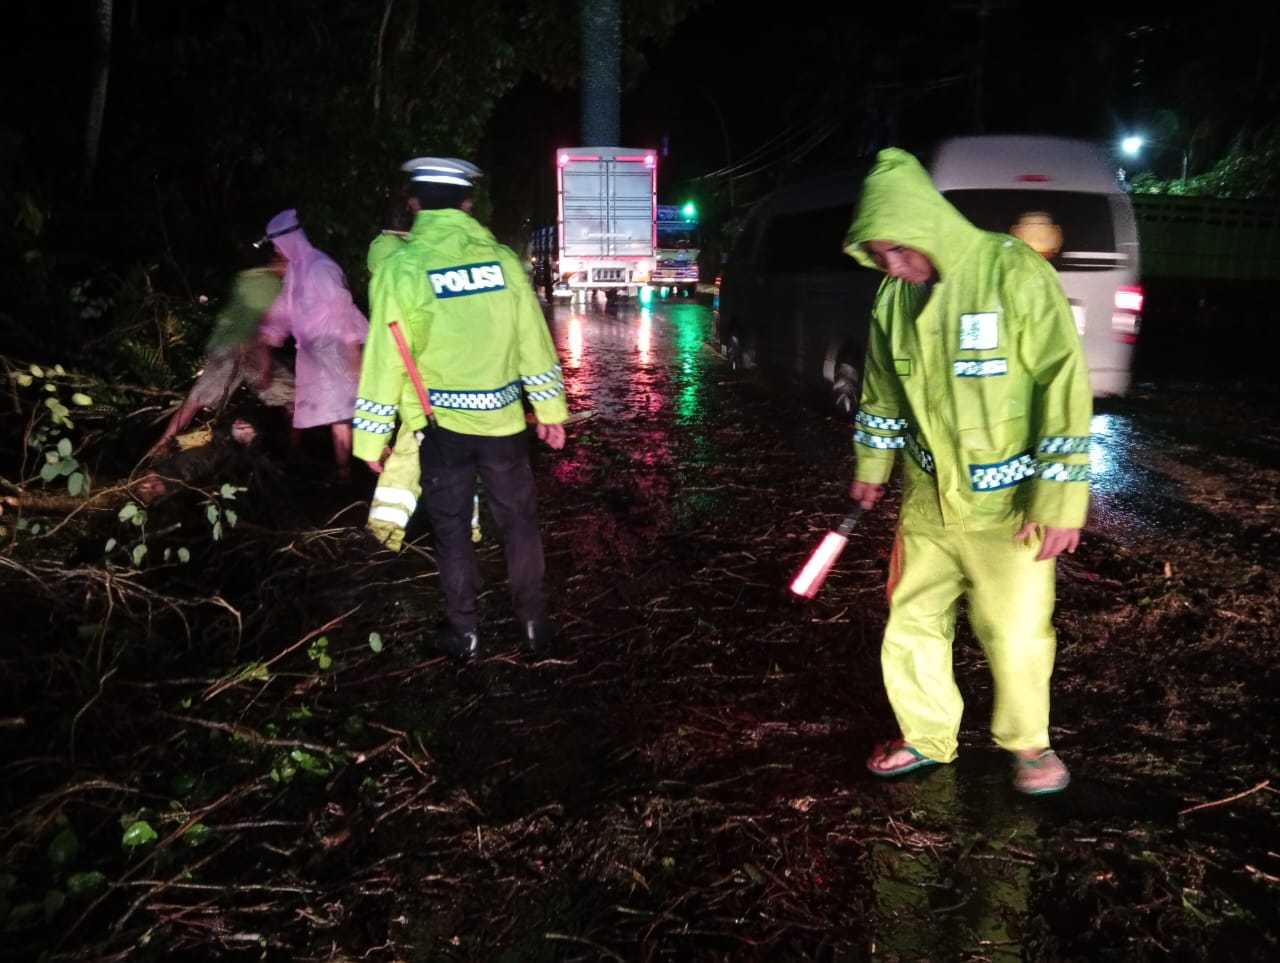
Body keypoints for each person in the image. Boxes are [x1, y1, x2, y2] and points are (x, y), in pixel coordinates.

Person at [840, 147, 1093, 796]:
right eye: (879, 256)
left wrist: (1061, 500)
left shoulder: (1012, 273)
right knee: (912, 619)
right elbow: (881, 392)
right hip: (927, 502)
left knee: (1015, 629)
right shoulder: (894, 299)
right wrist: (872, 465)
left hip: (1010, 509)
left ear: (928, 223)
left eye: (898, 249)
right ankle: (925, 734)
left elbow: (1063, 387)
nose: (893, 266)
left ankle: (1029, 745)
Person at [353, 157, 568, 660]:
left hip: (441, 428)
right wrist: (550, 409)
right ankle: (535, 625)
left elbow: (385, 360)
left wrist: (371, 437)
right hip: (505, 425)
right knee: (519, 524)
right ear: (467, 203)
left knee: (451, 532)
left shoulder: (401, 268)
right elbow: (533, 342)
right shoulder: (501, 261)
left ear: (414, 203)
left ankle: (465, 634)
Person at [255, 208, 368, 483]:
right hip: (312, 352)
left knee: (346, 410)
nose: (278, 252)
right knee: (330, 410)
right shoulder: (296, 270)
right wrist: (268, 334)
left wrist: (353, 354)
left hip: (335, 347)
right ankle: (324, 462)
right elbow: (285, 308)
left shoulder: (320, 267)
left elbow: (342, 308)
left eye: (278, 245)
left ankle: (350, 470)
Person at [149, 254, 293, 457]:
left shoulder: (249, 277)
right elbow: (258, 328)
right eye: (289, 264)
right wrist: (264, 366)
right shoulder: (270, 286)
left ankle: (288, 453)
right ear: (281, 262)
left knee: (292, 398)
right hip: (235, 349)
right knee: (198, 399)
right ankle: (162, 446)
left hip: (229, 345)